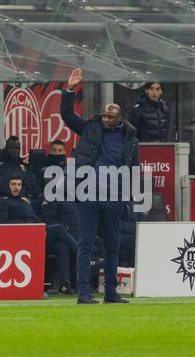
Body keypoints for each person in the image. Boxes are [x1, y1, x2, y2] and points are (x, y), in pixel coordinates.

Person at [60, 68, 140, 304]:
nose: (105, 119)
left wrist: (129, 199)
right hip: (88, 197)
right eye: (103, 115)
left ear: (119, 119)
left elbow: (134, 172)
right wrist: (70, 89)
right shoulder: (90, 129)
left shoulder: (131, 141)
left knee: (112, 248)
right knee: (85, 245)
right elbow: (67, 115)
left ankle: (111, 293)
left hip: (114, 199)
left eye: (109, 117)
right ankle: (84, 294)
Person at [0, 174, 77, 294]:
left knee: (61, 247)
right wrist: (25, 224)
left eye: (19, 184)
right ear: (7, 186)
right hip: (18, 238)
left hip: (34, 236)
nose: (16, 187)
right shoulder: (1, 202)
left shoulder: (25, 201)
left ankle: (64, 285)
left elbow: (35, 219)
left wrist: (35, 226)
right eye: (13, 184)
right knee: (58, 228)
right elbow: (1, 224)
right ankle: (84, 255)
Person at [0, 136, 41, 211]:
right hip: (6, 202)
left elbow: (34, 189)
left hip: (25, 202)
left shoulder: (26, 168)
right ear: (6, 149)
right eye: (12, 148)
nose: (15, 151)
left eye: (17, 148)